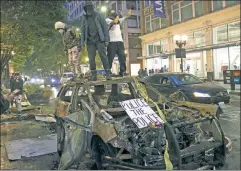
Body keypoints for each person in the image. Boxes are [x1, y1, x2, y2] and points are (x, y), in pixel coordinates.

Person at [80, 1, 112, 81]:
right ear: (85, 9)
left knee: (103, 57)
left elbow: (104, 28)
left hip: (99, 40)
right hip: (90, 41)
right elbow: (82, 31)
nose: (88, 9)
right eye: (87, 8)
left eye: (90, 7)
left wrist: (106, 40)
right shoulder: (84, 18)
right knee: (91, 59)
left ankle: (108, 73)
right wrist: (82, 43)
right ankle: (94, 75)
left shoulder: (99, 15)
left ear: (92, 8)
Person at [106, 9, 132, 77]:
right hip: (112, 42)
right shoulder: (107, 20)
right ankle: (108, 72)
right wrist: (117, 16)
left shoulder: (118, 20)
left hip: (120, 42)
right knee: (110, 58)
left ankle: (122, 71)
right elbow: (114, 22)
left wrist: (128, 14)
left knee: (122, 57)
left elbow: (125, 18)